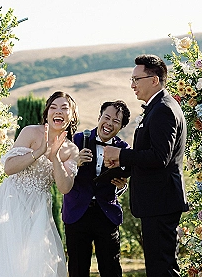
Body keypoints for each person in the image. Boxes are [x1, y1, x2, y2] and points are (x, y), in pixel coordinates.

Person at [0, 91, 80, 277]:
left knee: (36, 263)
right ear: (46, 114)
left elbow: (64, 187)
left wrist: (54, 157)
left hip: (38, 210)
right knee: (6, 260)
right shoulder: (30, 132)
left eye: (64, 108)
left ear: (72, 115)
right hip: (11, 202)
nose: (58, 111)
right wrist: (39, 151)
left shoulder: (72, 149)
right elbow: (9, 167)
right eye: (53, 107)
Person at [104, 54, 188, 277]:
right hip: (156, 200)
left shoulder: (163, 109)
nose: (132, 85)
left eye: (136, 79)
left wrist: (121, 155)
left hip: (160, 201)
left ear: (154, 80)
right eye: (131, 80)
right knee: (158, 267)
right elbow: (151, 156)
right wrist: (126, 171)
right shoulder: (156, 107)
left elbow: (160, 157)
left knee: (163, 268)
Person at [62, 100, 131, 277]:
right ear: (99, 117)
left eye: (116, 121)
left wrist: (122, 186)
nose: (109, 123)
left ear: (121, 126)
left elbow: (123, 179)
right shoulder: (77, 140)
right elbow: (61, 172)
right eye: (106, 117)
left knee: (111, 269)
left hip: (106, 215)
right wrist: (75, 163)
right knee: (77, 269)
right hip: (77, 213)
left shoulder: (124, 149)